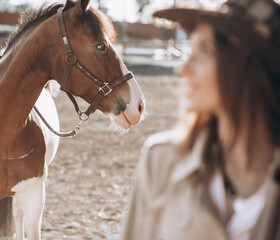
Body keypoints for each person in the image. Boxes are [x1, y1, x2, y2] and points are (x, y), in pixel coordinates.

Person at [120, 0, 280, 239]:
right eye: (189, 51)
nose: (183, 69)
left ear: (251, 66)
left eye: (204, 51)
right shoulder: (161, 161)